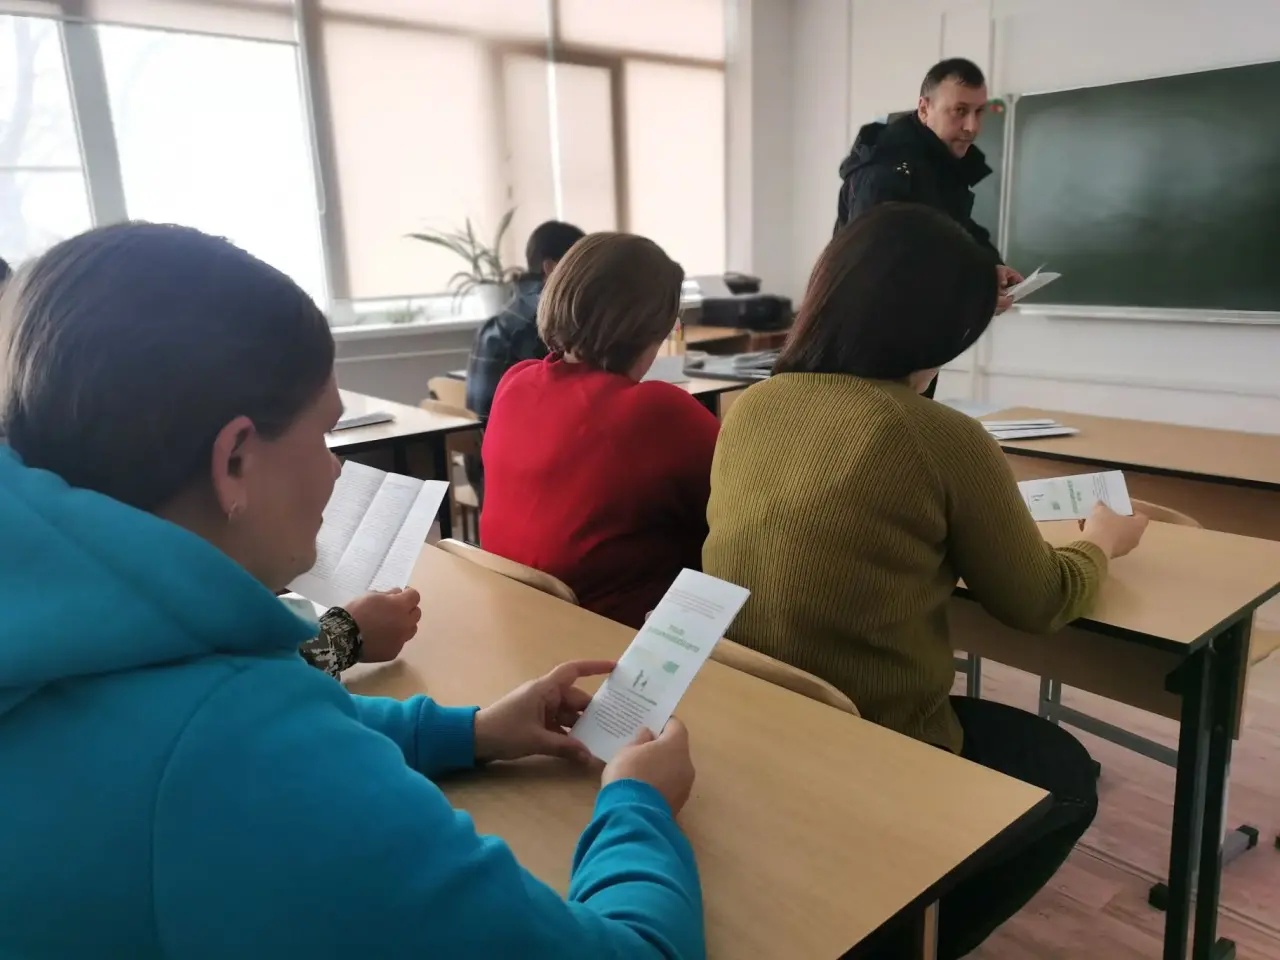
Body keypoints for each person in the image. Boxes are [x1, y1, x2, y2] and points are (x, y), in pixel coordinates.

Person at [0, 222, 703, 959]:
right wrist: (639, 803)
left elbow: (251, 719)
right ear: (234, 460)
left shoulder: (71, 644)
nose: (335, 468)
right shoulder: (245, 753)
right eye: (325, 435)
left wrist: (470, 732)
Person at [703, 204, 1148, 960]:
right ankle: (905, 937)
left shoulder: (749, 409)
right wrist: (1102, 543)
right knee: (1067, 775)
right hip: (875, 743)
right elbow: (1040, 601)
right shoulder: (940, 436)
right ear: (948, 329)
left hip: (752, 724)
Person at [481, 232, 718, 629]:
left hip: (516, 625)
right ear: (653, 327)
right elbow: (745, 504)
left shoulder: (515, 382)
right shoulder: (657, 410)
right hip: (615, 641)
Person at [834, 58, 1023, 398]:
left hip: (917, 336)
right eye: (959, 111)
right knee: (880, 427)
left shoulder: (940, 169)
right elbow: (879, 266)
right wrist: (972, 289)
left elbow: (958, 232)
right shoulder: (885, 170)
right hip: (872, 339)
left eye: (979, 112)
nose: (971, 126)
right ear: (924, 108)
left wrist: (989, 268)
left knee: (910, 426)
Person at [465, 219, 585, 422]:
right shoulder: (546, 321)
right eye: (580, 265)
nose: (586, 276)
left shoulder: (509, 314)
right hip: (515, 436)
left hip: (484, 436)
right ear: (551, 268)